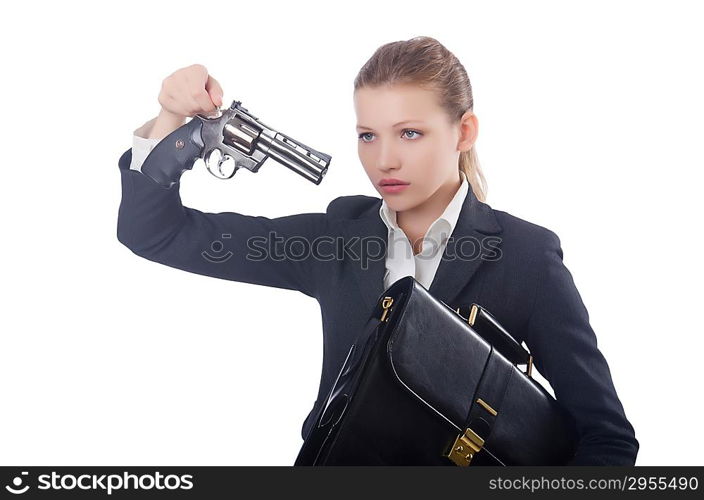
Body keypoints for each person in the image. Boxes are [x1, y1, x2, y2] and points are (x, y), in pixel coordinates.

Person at [116, 36, 638, 465]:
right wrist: (169, 121)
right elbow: (154, 233)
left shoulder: (526, 256)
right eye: (368, 136)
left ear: (464, 131)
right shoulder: (333, 239)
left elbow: (607, 439)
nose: (384, 160)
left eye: (409, 133)